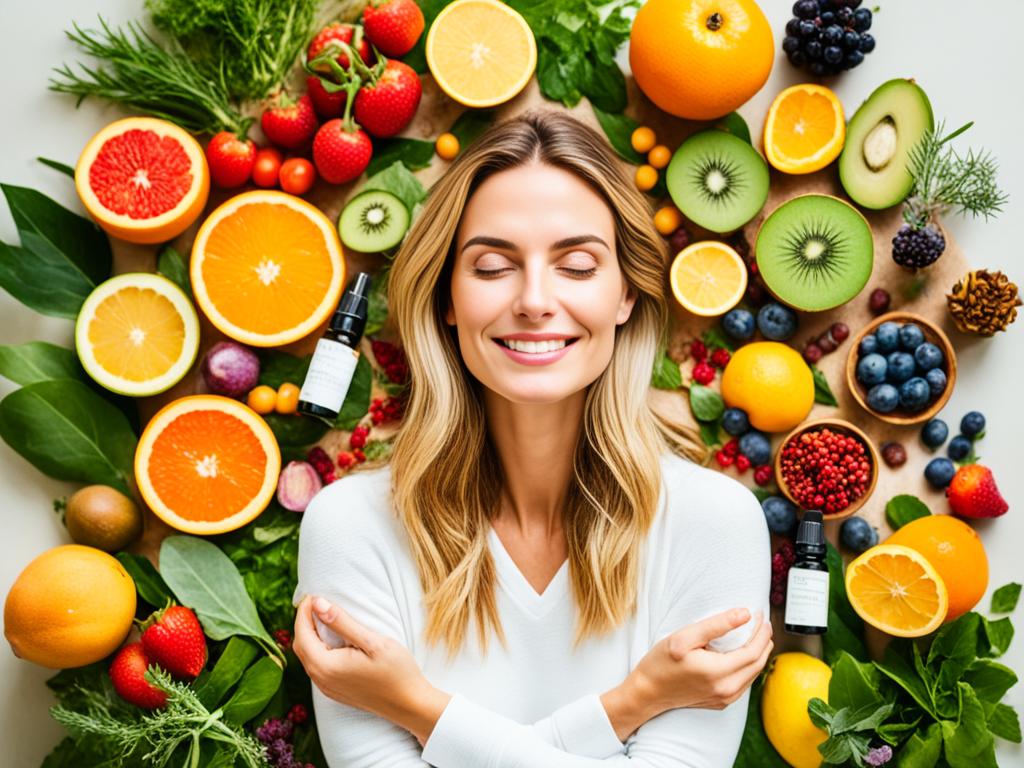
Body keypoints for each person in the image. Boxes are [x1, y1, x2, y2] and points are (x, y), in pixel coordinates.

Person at [291, 109, 772, 767]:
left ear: (626, 293)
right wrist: (632, 703)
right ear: (447, 300)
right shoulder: (350, 527)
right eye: (492, 267)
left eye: (577, 265)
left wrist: (419, 710)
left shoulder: (714, 523)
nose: (536, 301)